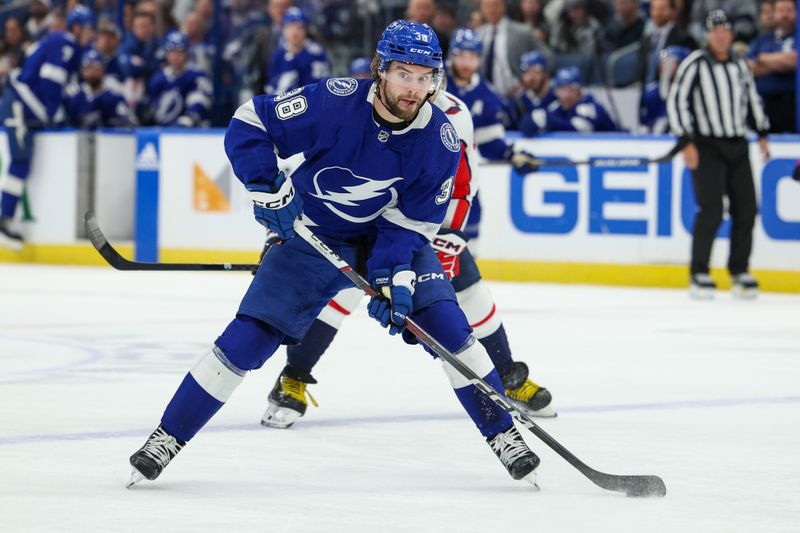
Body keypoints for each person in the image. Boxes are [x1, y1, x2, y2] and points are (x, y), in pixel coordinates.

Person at [127, 20, 542, 490]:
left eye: (425, 76)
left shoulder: (440, 140)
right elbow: (250, 120)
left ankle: (504, 435)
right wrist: (267, 187)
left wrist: (395, 277)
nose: (415, 88)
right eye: (404, 74)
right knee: (247, 338)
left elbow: (412, 224)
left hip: (385, 237)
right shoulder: (335, 101)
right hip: (314, 234)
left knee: (449, 329)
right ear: (381, 70)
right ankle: (168, 436)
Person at [262, 80, 556, 430]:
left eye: (425, 82)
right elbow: (305, 170)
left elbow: (465, 184)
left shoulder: (454, 114)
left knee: (472, 292)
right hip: (367, 225)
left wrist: (451, 237)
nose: (414, 93)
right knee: (340, 298)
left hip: (425, 224)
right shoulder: (365, 103)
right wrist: (278, 230)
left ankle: (506, 375)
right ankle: (293, 376)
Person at [667, 10, 770, 299]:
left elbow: (752, 99)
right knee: (711, 209)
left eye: (725, 30)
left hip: (737, 144)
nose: (721, 35)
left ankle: (739, 269)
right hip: (706, 145)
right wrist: (686, 141)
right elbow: (677, 102)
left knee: (746, 209)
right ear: (708, 35)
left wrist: (762, 132)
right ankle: (699, 271)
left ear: (732, 34)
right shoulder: (695, 64)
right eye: (715, 31)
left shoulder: (740, 65)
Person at [0, 5, 95, 250]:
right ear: (76, 27)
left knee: (22, 161)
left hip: (26, 107)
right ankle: (4, 219)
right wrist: (54, 114)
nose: (91, 34)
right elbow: (51, 81)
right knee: (20, 160)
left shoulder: (69, 48)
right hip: (20, 105)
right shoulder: (65, 42)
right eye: (89, 28)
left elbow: (62, 87)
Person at [445, 28, 540, 240]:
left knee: (472, 212)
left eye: (473, 57)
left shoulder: (486, 96)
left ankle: (464, 271)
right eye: (462, 55)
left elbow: (489, 142)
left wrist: (511, 154)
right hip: (420, 167)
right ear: (452, 55)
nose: (467, 63)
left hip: (457, 173)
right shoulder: (432, 79)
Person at [476, 0, 551, 97]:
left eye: (495, 5)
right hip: (485, 95)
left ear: (504, 7)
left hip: (516, 96)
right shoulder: (477, 34)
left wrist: (528, 82)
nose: (491, 10)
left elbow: (549, 58)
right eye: (487, 6)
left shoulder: (522, 32)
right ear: (481, 9)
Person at [520, 67, 618, 135]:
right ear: (556, 91)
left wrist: (549, 120)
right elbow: (531, 123)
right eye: (562, 89)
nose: (566, 95)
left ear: (580, 91)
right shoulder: (556, 106)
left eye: (571, 90)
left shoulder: (591, 107)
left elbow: (579, 129)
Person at [746, 0, 797, 133]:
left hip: (790, 104)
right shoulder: (763, 39)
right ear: (774, 14)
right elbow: (750, 66)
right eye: (781, 10)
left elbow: (794, 61)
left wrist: (763, 58)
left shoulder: (797, 37)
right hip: (763, 103)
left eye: (789, 10)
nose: (785, 15)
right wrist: (780, 63)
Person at [146, 31, 212, 127]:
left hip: (191, 132)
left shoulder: (197, 76)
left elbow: (200, 103)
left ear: (186, 53)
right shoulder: (158, 78)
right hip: (163, 129)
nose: (175, 56)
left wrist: (190, 117)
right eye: (172, 52)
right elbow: (152, 108)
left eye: (179, 52)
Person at [65, 48, 137, 129]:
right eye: (88, 67)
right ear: (82, 71)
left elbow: (130, 125)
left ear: (103, 69)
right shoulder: (76, 98)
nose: (92, 72)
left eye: (96, 67)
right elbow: (69, 128)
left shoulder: (115, 97)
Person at [264, 7, 330, 95]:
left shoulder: (316, 53)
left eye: (299, 27)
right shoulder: (278, 54)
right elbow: (271, 87)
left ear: (306, 30)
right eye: (289, 27)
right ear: (283, 29)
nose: (294, 32)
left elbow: (322, 86)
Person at [639, 45, 689, 133]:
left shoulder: (690, 92)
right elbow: (645, 124)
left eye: (672, 62)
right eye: (664, 62)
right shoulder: (652, 93)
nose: (666, 67)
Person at [512, 50, 556, 130]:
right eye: (526, 72)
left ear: (545, 74)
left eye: (536, 71)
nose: (531, 77)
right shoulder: (519, 101)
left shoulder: (557, 97)